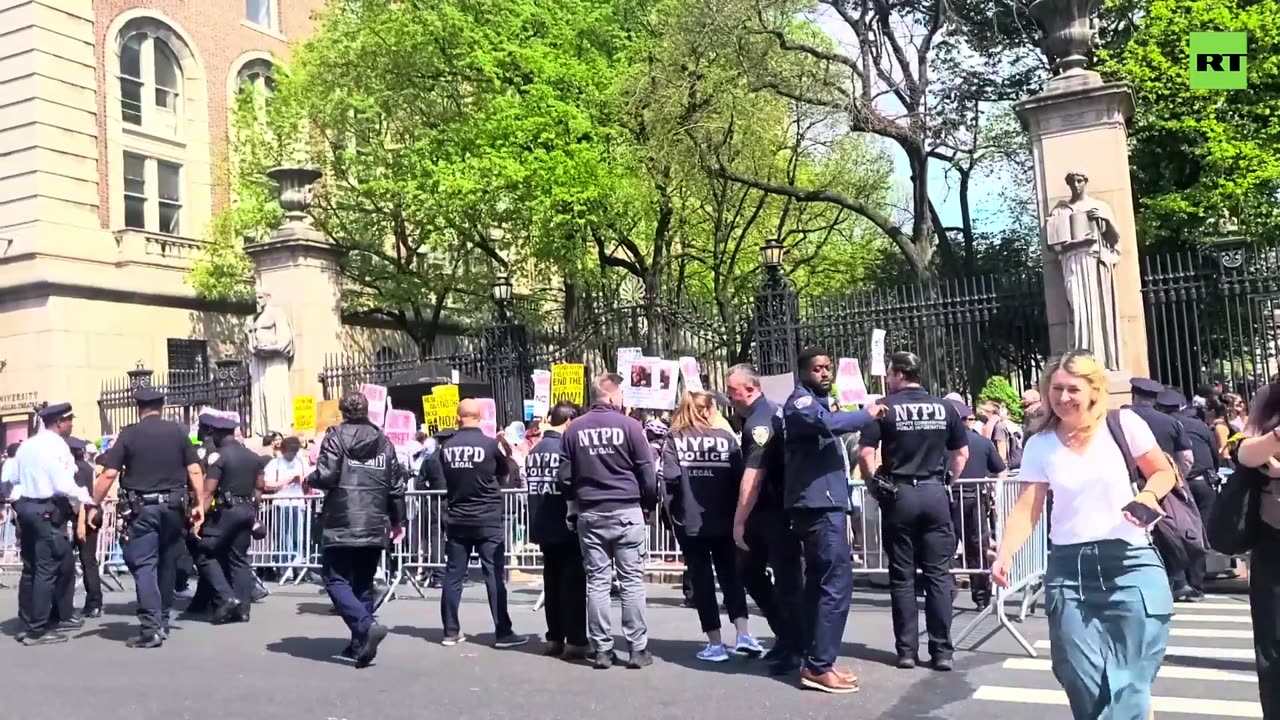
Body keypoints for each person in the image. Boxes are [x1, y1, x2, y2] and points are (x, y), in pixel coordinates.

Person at [992, 351, 1177, 720]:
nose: (1062, 398)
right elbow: (1029, 506)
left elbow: (1164, 472)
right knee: (1079, 677)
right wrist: (1006, 554)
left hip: (1131, 564)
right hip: (1069, 570)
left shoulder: (1123, 424)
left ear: (1094, 390)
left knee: (1130, 680)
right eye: (1055, 388)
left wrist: (1146, 495)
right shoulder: (1039, 444)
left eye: (1072, 389)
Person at [856, 352, 968, 671]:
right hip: (934, 492)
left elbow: (866, 453)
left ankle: (906, 651)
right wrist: (947, 479)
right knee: (938, 576)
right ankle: (942, 651)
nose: (888, 378)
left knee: (902, 578)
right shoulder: (944, 407)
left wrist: (873, 483)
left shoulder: (886, 407)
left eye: (889, 373)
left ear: (899, 374)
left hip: (900, 492)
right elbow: (961, 452)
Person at [782, 347, 882, 693]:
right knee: (835, 582)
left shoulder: (820, 402)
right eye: (817, 369)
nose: (825, 374)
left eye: (828, 368)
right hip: (818, 507)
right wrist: (866, 415)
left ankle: (818, 659)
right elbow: (827, 425)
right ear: (804, 372)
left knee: (822, 583)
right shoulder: (800, 403)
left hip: (827, 504)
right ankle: (819, 666)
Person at [558, 372, 657, 670]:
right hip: (627, 508)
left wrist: (575, 504)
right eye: (622, 394)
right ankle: (638, 649)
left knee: (598, 583)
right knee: (631, 582)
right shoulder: (630, 426)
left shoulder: (574, 429)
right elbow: (647, 473)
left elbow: (564, 477)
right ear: (613, 395)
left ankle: (602, 649)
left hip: (590, 511)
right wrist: (648, 505)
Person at [93, 389, 204, 648]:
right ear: (162, 405)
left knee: (145, 565)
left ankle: (151, 627)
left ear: (137, 406)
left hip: (143, 509)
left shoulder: (129, 434)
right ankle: (163, 619)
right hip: (174, 507)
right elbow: (195, 469)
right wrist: (199, 503)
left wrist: (93, 503)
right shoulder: (178, 432)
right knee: (167, 562)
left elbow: (109, 474)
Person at [660, 390, 762, 662]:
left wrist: (672, 518)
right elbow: (740, 478)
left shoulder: (674, 439)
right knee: (731, 576)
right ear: (706, 410)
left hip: (690, 521)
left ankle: (715, 643)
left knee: (701, 580)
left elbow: (668, 481)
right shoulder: (725, 438)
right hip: (724, 518)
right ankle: (743, 634)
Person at [308, 391, 405, 668]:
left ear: (343, 411)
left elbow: (326, 475)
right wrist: (399, 521)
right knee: (363, 583)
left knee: (334, 578)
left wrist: (310, 476)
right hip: (375, 520)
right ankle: (359, 643)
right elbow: (396, 485)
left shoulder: (336, 436)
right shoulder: (384, 441)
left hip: (342, 518)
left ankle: (365, 626)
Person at [422, 398, 528, 649]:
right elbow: (504, 472)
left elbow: (444, 475)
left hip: (458, 516)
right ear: (479, 417)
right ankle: (503, 632)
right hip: (488, 517)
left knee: (453, 575)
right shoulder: (490, 445)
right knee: (493, 576)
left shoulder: (446, 448)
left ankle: (450, 631)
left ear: (458, 417)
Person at [726, 363, 805, 676]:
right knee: (749, 571)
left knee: (787, 581)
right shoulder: (766, 414)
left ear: (750, 388)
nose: (729, 398)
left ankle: (795, 646)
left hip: (773, 511)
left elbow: (753, 477)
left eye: (732, 392)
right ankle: (785, 636)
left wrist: (738, 521)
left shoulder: (760, 422)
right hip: (769, 511)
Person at [9, 403, 93, 645]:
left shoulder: (27, 445)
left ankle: (26, 623)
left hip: (26, 507)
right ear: (59, 422)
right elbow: (63, 483)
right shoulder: (57, 446)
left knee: (31, 568)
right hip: (46, 508)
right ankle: (38, 629)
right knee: (47, 568)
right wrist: (86, 498)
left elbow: (13, 477)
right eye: (69, 421)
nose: (71, 425)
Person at [1231, 383, 1280, 715]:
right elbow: (1246, 454)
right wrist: (1276, 436)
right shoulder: (1270, 396)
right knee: (1272, 648)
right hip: (1272, 541)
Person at [525, 401, 588, 660]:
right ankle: (575, 640)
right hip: (566, 523)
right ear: (569, 421)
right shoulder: (565, 448)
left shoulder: (535, 450)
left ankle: (554, 637)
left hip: (542, 524)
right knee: (572, 584)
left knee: (551, 583)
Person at [196, 415, 265, 624]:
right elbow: (260, 488)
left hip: (226, 511)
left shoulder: (219, 457)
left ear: (217, 434)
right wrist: (252, 512)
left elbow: (208, 491)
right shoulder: (253, 456)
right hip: (246, 510)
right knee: (239, 559)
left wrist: (199, 518)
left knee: (205, 553)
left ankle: (227, 598)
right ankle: (243, 611)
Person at [945, 400, 1006, 611]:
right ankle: (981, 597)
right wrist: (996, 494)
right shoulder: (982, 442)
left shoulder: (941, 443)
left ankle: (947, 593)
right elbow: (1000, 469)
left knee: (946, 547)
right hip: (975, 499)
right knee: (977, 549)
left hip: (948, 499)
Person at [1159, 388, 1216, 600]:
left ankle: (1180, 582)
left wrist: (1178, 481)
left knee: (1176, 533)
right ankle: (1196, 585)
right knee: (1199, 536)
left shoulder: (1162, 424)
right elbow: (1212, 453)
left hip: (1178, 486)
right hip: (1203, 483)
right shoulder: (1198, 425)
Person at [69, 436, 103, 619]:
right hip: (91, 516)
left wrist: (80, 524)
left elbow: (83, 499)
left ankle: (94, 602)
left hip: (84, 517)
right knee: (88, 560)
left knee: (86, 560)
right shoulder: (87, 467)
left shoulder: (78, 469)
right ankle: (94, 603)